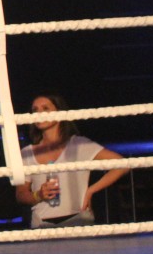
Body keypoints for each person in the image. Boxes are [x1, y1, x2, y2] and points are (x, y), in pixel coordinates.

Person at [15, 93, 129, 228]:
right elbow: (21, 194)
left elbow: (122, 164)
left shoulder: (78, 145)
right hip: (42, 224)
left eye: (45, 108)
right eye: (35, 110)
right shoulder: (27, 152)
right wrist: (38, 195)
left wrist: (91, 190)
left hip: (78, 220)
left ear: (59, 112)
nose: (39, 113)